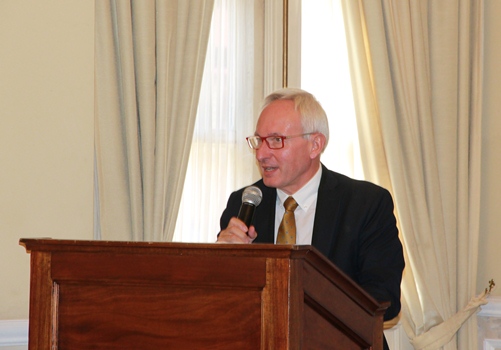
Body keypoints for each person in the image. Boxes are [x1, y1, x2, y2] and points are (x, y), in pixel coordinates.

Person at [217, 88, 404, 348]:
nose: (261, 154)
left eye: (276, 140)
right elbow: (225, 306)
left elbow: (385, 300)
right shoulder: (243, 204)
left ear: (315, 145)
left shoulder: (365, 204)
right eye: (259, 140)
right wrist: (222, 264)